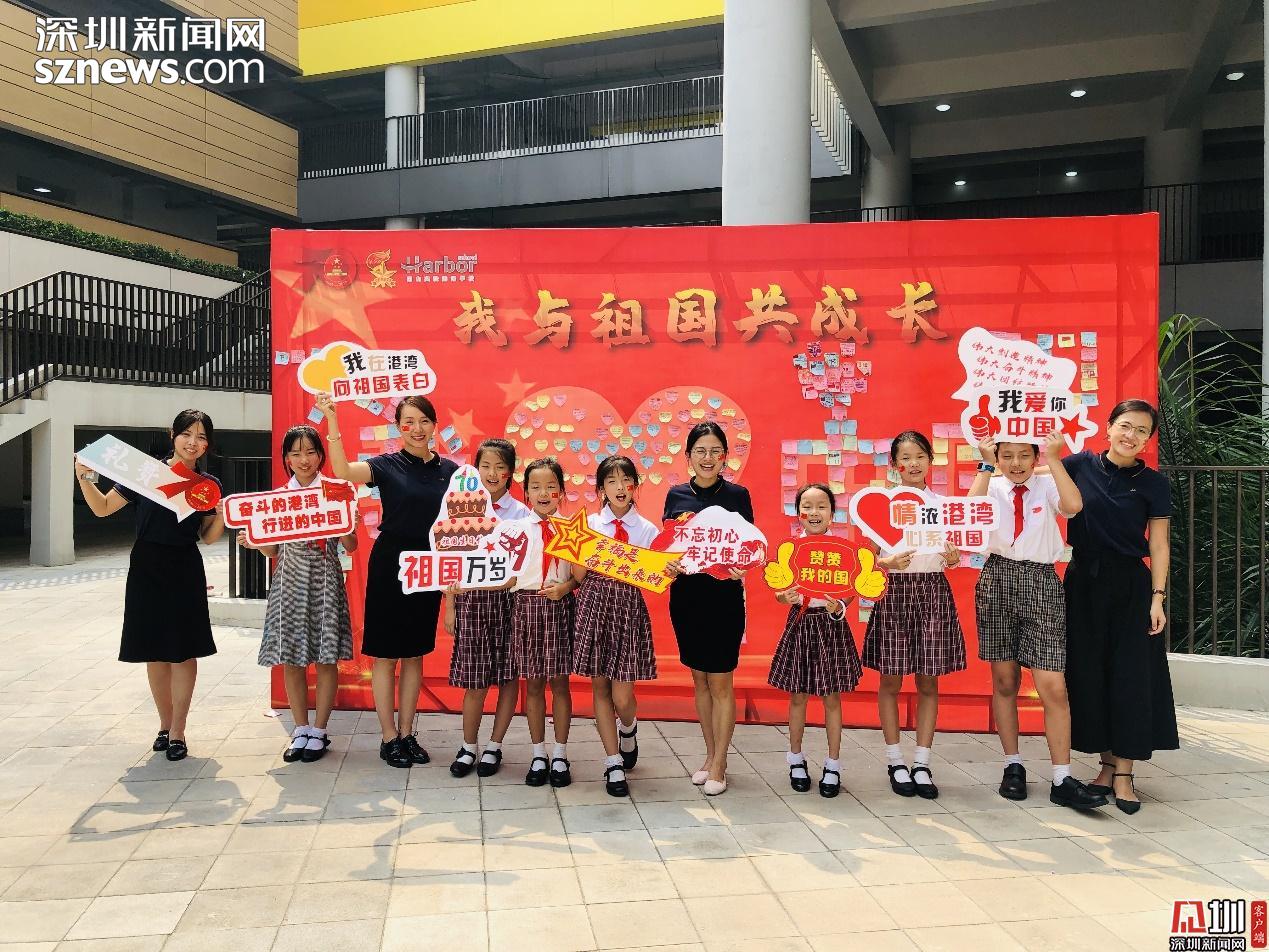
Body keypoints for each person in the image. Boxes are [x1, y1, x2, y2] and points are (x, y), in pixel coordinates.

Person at [73, 409, 224, 761]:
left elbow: (208, 536)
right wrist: (84, 478)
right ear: (173, 434)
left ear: (208, 444)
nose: (193, 442)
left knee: (183, 650)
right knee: (154, 650)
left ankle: (179, 730)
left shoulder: (207, 485)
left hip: (184, 566)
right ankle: (164, 725)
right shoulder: (145, 472)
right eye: (187, 434)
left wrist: (221, 516)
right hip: (146, 565)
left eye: (201, 437)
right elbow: (103, 508)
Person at [318, 392, 457, 770]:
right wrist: (332, 420)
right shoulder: (386, 464)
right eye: (409, 422)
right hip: (390, 565)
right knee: (385, 654)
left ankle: (408, 733)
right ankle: (388, 736)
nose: (417, 428)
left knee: (414, 653)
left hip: (427, 566)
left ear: (435, 425)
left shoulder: (451, 471)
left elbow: (458, 525)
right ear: (399, 427)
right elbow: (343, 471)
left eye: (424, 421)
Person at [969, 431, 1106, 810]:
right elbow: (969, 515)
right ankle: (1013, 765)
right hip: (997, 577)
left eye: (1024, 455)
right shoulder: (991, 484)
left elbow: (1074, 506)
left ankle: (1062, 777)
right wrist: (985, 465)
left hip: (1041, 581)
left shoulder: (1047, 484)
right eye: (1007, 455)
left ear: (1034, 457)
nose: (1016, 464)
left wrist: (1055, 458)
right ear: (997, 457)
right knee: (1005, 681)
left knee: (1053, 686)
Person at [1061, 399, 1177, 814]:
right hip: (1082, 583)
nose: (1131, 435)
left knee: (1130, 676)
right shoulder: (1078, 465)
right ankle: (1106, 765)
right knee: (1090, 675)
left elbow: (1159, 544)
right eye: (1125, 426)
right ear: (1108, 427)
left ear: (1148, 440)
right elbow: (1032, 476)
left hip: (1131, 586)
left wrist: (1157, 597)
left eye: (1142, 431)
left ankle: (1125, 773)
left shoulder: (1154, 483)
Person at [243, 425, 357, 764]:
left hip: (325, 580)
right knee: (291, 658)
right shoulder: (279, 498)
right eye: (295, 454)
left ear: (320, 455)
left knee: (325, 657)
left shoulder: (336, 490)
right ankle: (300, 728)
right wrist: (255, 541)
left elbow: (351, 545)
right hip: (288, 583)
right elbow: (272, 550)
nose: (303, 460)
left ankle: (319, 730)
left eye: (310, 452)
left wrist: (345, 520)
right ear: (287, 459)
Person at [861, 430, 963, 800]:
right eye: (905, 457)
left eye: (920, 456)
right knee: (890, 679)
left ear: (930, 461)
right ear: (894, 464)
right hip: (895, 592)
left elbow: (953, 553)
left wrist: (954, 558)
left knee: (928, 681)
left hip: (933, 590)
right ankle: (895, 761)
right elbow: (865, 559)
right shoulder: (881, 505)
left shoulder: (943, 505)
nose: (914, 463)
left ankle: (922, 762)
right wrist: (886, 562)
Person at [662, 422, 755, 796]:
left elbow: (750, 545)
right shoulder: (675, 495)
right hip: (686, 598)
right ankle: (710, 754)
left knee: (720, 682)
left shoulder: (738, 495)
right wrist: (667, 564)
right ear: (688, 456)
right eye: (700, 451)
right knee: (699, 679)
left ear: (725, 457)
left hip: (723, 598)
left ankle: (720, 763)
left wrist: (742, 565)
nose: (708, 457)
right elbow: (668, 545)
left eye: (715, 451)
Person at [766, 483, 862, 798]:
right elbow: (780, 592)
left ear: (832, 513)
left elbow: (852, 589)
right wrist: (784, 597)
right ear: (798, 513)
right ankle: (796, 759)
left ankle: (833, 764)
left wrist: (840, 606)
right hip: (800, 623)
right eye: (807, 506)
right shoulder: (790, 550)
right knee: (798, 697)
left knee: (832, 698)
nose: (814, 512)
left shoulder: (844, 551)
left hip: (831, 626)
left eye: (822, 506)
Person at [571, 455, 659, 797]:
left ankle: (629, 728)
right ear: (601, 489)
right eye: (611, 481)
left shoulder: (647, 530)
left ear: (635, 485)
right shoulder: (589, 525)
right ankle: (612, 762)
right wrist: (580, 553)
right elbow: (579, 577)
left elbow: (654, 575)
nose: (620, 487)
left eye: (626, 480)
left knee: (622, 695)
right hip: (593, 605)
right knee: (600, 689)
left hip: (627, 610)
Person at [442, 438, 530, 779]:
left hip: (511, 603)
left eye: (500, 467)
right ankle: (468, 747)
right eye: (486, 466)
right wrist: (451, 605)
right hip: (471, 604)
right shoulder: (460, 507)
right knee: (475, 680)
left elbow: (521, 570)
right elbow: (449, 560)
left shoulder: (521, 514)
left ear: (511, 473)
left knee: (508, 677)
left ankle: (495, 745)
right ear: (475, 470)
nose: (492, 473)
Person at [501, 458, 578, 787]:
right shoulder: (514, 529)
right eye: (535, 487)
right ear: (526, 492)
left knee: (560, 683)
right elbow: (505, 575)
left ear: (561, 491)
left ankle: (560, 753)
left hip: (560, 606)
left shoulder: (572, 529)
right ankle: (538, 753)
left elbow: (580, 576)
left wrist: (566, 587)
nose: (543, 493)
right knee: (532, 684)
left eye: (550, 487)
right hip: (526, 607)